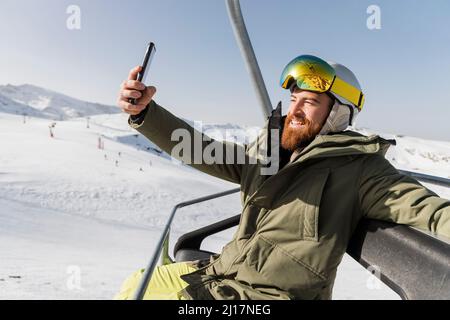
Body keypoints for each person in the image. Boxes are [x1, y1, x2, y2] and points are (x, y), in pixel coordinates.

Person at [115, 55, 450, 300]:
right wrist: (146, 113)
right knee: (137, 284)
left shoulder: (361, 170)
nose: (296, 110)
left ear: (337, 114)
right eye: (294, 100)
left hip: (264, 299)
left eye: (310, 102)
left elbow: (429, 210)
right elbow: (200, 149)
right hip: (219, 274)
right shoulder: (267, 154)